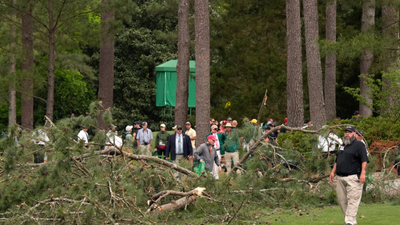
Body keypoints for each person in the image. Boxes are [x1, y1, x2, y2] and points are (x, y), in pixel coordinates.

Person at [329, 126, 369, 225]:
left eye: (349, 132)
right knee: (342, 201)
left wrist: (363, 173)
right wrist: (333, 172)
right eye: (346, 132)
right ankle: (352, 222)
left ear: (354, 134)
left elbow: (364, 160)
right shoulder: (343, 145)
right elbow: (337, 160)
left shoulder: (359, 145)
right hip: (341, 178)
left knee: (352, 201)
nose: (347, 134)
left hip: (354, 178)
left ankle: (349, 222)